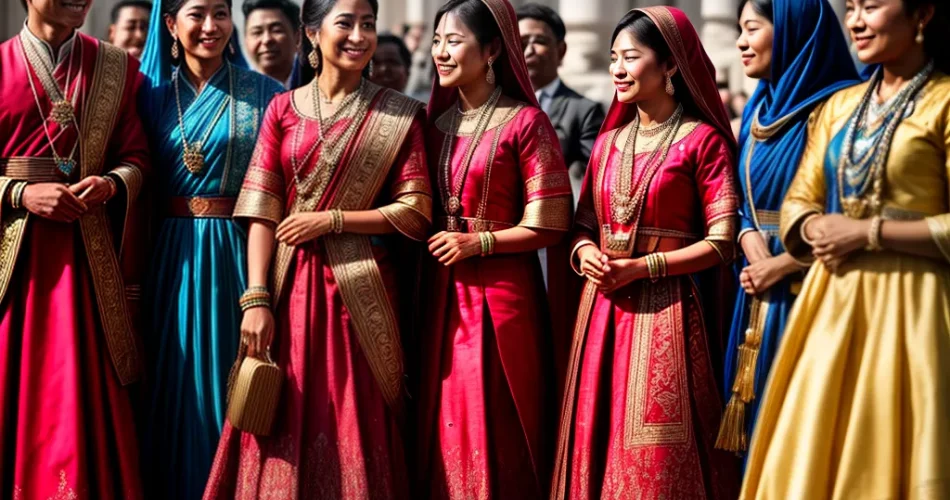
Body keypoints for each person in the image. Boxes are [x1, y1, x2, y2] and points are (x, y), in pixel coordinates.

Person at [203, 0, 431, 494]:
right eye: (345, 23)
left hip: (362, 291)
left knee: (357, 414)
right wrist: (257, 300)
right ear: (311, 34)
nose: (359, 36)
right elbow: (263, 209)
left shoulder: (398, 113)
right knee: (280, 414)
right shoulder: (282, 109)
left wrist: (333, 219)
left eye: (368, 25)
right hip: (289, 290)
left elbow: (415, 211)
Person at [741, 0, 950, 497]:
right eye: (850, 7)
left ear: (922, 14)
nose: (855, 21)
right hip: (831, 303)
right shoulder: (840, 106)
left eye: (872, 7)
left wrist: (867, 233)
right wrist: (813, 227)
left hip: (918, 304)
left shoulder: (944, 101)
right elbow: (799, 200)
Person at [551, 7, 741, 499]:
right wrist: (585, 251)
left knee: (656, 451)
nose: (617, 68)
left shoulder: (703, 142)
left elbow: (721, 241)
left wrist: (643, 266)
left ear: (671, 65)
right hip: (603, 312)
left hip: (669, 312)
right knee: (599, 432)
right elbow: (582, 225)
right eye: (613, 57)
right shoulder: (609, 142)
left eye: (630, 57)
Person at [416, 0, 573, 497]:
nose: (441, 52)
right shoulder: (430, 127)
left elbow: (550, 223)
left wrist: (478, 241)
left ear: (490, 52)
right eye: (437, 41)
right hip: (438, 292)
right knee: (439, 419)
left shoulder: (526, 123)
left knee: (499, 416)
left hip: (503, 296)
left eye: (454, 41)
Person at [0, 0, 149, 496]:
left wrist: (110, 183)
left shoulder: (115, 65)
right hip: (18, 263)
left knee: (86, 385)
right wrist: (21, 193)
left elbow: (137, 156)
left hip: (91, 257)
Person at [136, 0, 282, 497]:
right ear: (171, 25)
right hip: (168, 260)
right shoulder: (147, 98)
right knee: (174, 388)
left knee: (236, 387)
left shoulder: (267, 96)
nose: (211, 27)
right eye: (197, 14)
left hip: (238, 256)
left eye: (222, 13)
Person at [714, 0, 859, 460]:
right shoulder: (760, 105)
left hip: (815, 285)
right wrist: (743, 235)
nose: (740, 41)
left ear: (795, 31)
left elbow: (852, 212)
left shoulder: (841, 108)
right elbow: (739, 196)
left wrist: (783, 263)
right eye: (739, 29)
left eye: (752, 28)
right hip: (755, 285)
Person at [516, 2, 604, 201]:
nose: (530, 50)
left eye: (539, 41)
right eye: (521, 43)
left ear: (561, 50)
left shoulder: (584, 111)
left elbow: (598, 179)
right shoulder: (498, 105)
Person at [243, 0, 299, 88]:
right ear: (245, 41)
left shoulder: (317, 88)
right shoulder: (235, 93)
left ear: (298, 38)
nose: (266, 40)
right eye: (257, 32)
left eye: (276, 30)